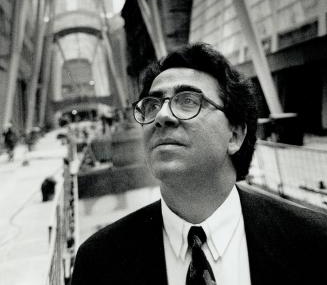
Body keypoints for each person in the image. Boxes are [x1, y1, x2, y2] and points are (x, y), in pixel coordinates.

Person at [71, 43, 327, 285]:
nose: (161, 116)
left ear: (235, 135)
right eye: (152, 105)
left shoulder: (313, 243)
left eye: (188, 101)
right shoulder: (99, 263)